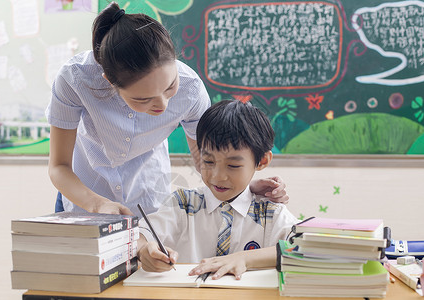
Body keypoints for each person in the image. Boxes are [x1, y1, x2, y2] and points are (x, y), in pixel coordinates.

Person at [46, 2, 289, 216]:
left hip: (148, 200)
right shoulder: (75, 79)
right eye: (143, 99)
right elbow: (59, 167)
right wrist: (97, 204)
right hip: (83, 197)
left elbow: (206, 160)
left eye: (170, 86)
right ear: (110, 82)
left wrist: (240, 188)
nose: (162, 105)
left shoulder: (191, 88)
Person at [137, 100, 298, 279]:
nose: (218, 176)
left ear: (262, 161)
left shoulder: (270, 213)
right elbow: (141, 236)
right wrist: (144, 250)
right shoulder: (183, 203)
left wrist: (245, 258)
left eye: (233, 165)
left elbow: (303, 247)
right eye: (208, 162)